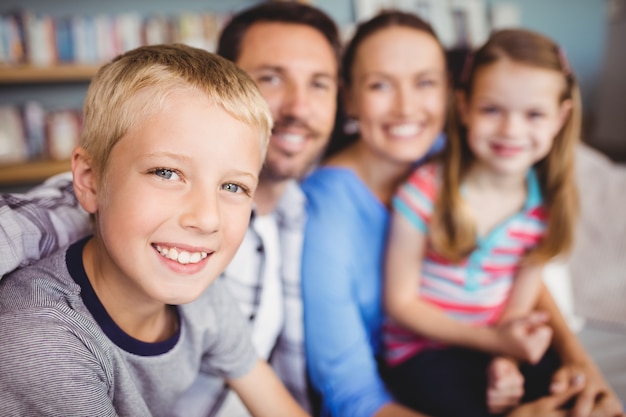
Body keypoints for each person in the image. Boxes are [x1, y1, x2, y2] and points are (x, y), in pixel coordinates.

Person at [0, 3, 340, 416]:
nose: (206, 217)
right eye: (166, 172)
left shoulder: (204, 297)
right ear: (89, 180)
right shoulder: (41, 338)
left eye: (232, 186)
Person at [301, 10, 625, 417]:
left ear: (450, 93)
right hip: (421, 367)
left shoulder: (463, 155)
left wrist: (577, 362)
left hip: (493, 344)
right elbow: (352, 396)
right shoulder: (328, 211)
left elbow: (514, 270)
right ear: (348, 96)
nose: (406, 107)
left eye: (425, 82)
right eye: (380, 84)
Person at [382, 28, 579, 417]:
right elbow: (400, 302)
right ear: (464, 106)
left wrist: (506, 364)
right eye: (492, 110)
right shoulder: (424, 192)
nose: (511, 130)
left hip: (497, 342)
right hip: (423, 350)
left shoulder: (545, 209)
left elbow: (518, 306)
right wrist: (495, 343)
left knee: (568, 397)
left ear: (560, 118)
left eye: (534, 114)